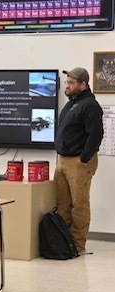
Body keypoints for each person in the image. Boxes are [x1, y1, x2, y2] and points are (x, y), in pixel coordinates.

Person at [54, 67, 103, 253]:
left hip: (78, 162)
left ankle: (78, 244)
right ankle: (64, 241)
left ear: (83, 84)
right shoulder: (71, 103)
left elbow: (95, 135)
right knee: (63, 205)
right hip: (63, 161)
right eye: (67, 82)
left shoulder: (90, 105)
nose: (67, 86)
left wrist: (84, 159)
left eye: (71, 83)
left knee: (79, 205)